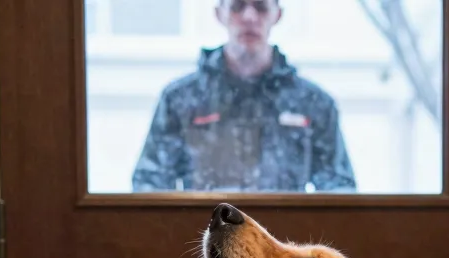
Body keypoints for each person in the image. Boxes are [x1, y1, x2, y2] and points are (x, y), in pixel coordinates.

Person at [131, 0, 356, 193]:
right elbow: (150, 185)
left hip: (282, 239)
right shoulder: (181, 100)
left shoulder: (312, 104)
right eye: (238, 6)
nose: (249, 17)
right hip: (204, 238)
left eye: (260, 7)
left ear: (277, 14)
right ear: (219, 13)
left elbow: (339, 191)